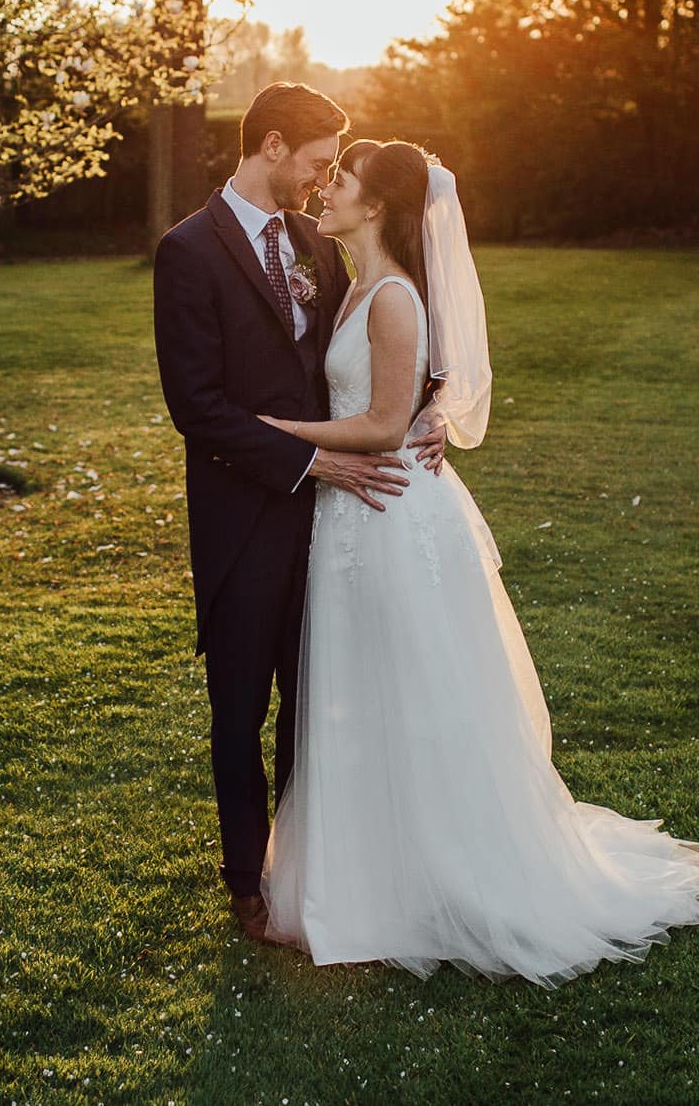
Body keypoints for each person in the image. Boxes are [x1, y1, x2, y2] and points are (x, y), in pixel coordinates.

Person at [255, 139, 699, 987]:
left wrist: (270, 433)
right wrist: (430, 408)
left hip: (387, 518)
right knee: (363, 694)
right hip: (356, 518)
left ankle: (439, 879)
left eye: (341, 181)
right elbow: (413, 398)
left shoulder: (394, 299)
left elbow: (379, 425)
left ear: (376, 206)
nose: (324, 189)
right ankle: (366, 874)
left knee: (412, 696)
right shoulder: (355, 285)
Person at [151, 85, 451, 943]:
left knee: (316, 699)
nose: (323, 181)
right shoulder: (188, 252)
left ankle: (304, 863)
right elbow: (197, 407)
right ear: (273, 145)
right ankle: (245, 877)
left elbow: (386, 343)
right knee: (240, 706)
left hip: (331, 525)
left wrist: (430, 411)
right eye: (317, 163)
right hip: (244, 519)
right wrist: (309, 457)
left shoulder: (324, 247)